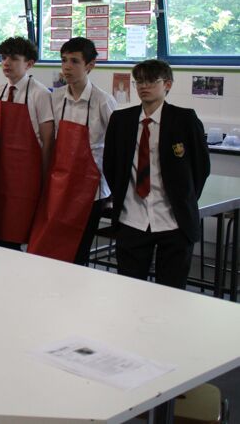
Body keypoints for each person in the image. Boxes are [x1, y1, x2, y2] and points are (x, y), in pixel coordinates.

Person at [104, 60, 209, 289]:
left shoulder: (184, 120)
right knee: (130, 288)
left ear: (167, 84)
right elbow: (110, 165)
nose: (144, 86)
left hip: (173, 221)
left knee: (171, 290)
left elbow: (200, 168)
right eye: (140, 81)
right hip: (132, 218)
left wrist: (184, 201)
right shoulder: (121, 120)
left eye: (152, 81)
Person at [28, 38, 117, 264]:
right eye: (64, 60)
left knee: (78, 252)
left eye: (75, 61)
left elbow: (118, 147)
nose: (67, 67)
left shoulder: (103, 101)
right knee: (51, 246)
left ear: (90, 65)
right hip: (59, 185)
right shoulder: (55, 98)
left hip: (91, 190)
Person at [0, 37, 54, 250]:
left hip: (26, 180)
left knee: (17, 237)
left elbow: (48, 141)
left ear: (29, 63)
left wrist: (44, 180)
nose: (6, 63)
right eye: (4, 58)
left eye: (14, 58)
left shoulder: (40, 94)